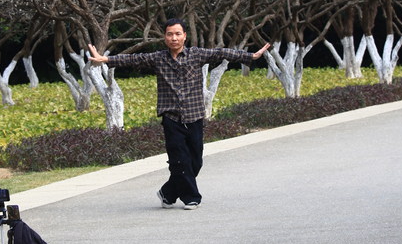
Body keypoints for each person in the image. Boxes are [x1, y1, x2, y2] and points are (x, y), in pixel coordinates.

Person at [88, 19, 270, 209]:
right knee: (179, 161)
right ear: (165, 37)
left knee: (195, 162)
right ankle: (192, 197)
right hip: (171, 118)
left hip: (194, 116)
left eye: (177, 34)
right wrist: (106, 60)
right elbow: (134, 58)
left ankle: (167, 193)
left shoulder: (196, 54)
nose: (173, 38)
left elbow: (220, 52)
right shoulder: (158, 58)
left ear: (184, 36)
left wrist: (250, 56)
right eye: (169, 34)